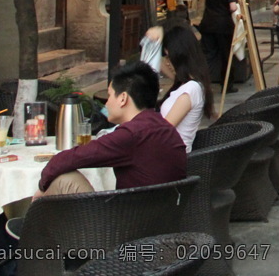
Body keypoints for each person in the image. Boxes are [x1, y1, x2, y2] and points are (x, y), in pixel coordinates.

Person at [37, 61, 187, 196]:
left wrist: (40, 189)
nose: (107, 103)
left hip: (124, 222)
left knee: (65, 179)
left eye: (109, 96)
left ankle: (28, 222)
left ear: (123, 98)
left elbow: (66, 159)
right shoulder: (164, 127)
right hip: (165, 220)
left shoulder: (132, 134)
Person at [158, 23, 215, 153]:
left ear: (179, 56)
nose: (167, 61)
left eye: (168, 57)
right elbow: (164, 66)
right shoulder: (188, 83)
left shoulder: (190, 90)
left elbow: (164, 130)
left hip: (171, 158)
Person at [199, 0, 240, 90]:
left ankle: (200, 84)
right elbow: (232, 7)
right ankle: (227, 85)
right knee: (226, 56)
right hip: (223, 24)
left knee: (207, 56)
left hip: (208, 22)